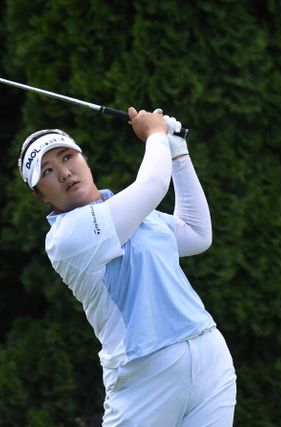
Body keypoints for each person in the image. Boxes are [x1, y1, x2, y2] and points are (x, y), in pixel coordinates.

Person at [17, 107, 237, 426]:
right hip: (145, 373)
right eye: (48, 171)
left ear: (84, 159)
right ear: (39, 194)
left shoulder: (128, 210)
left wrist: (178, 152)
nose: (64, 173)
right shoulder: (67, 237)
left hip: (209, 355)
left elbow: (196, 234)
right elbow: (153, 185)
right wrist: (156, 134)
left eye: (67, 157)